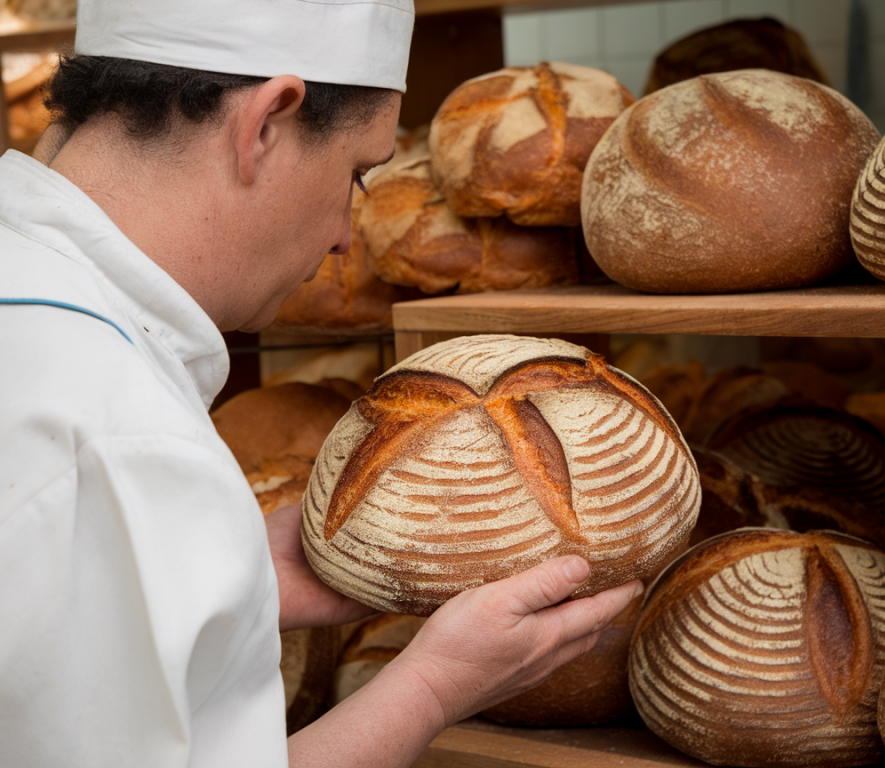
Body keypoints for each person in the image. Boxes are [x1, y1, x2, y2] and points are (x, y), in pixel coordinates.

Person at [0, 1, 642, 766]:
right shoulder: (121, 434)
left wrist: (236, 582)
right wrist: (435, 687)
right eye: (357, 174)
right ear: (267, 120)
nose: (345, 236)